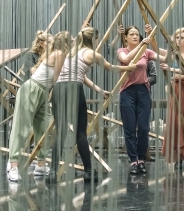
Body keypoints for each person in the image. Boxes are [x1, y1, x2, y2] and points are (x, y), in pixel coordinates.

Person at [48, 27, 137, 183]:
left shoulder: (71, 53)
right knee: (80, 132)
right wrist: (128, 68)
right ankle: (89, 171)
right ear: (94, 39)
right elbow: (111, 68)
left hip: (59, 89)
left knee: (60, 132)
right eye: (98, 39)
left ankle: (52, 172)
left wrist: (100, 90)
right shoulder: (91, 53)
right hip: (74, 89)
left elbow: (82, 76)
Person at [7, 31, 70, 182]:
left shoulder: (57, 54)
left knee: (46, 128)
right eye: (71, 41)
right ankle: (13, 165)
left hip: (43, 92)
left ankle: (41, 164)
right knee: (22, 128)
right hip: (32, 89)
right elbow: (57, 78)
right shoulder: (59, 53)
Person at [146, 26, 184, 171]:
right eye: (176, 37)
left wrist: (171, 70)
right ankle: (179, 158)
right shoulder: (173, 52)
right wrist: (151, 35)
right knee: (176, 123)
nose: (178, 40)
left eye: (181, 37)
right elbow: (157, 51)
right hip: (175, 90)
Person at [117, 25, 166, 175]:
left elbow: (165, 58)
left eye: (137, 34)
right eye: (131, 34)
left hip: (143, 91)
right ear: (125, 37)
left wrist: (153, 38)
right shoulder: (122, 51)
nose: (134, 36)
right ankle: (133, 161)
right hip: (127, 91)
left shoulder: (147, 51)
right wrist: (141, 45)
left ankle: (141, 159)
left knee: (144, 128)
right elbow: (125, 59)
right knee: (130, 128)